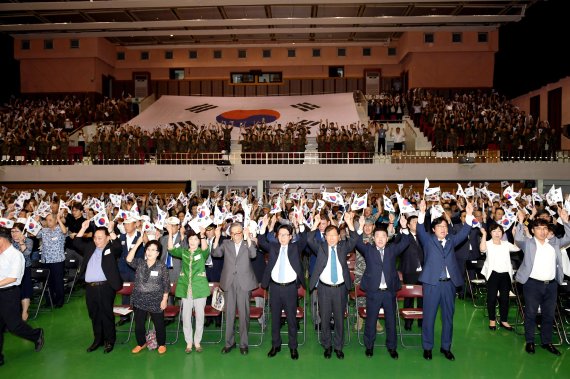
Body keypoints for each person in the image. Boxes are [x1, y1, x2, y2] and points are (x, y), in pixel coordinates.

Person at [416, 199, 474, 361]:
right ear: (433, 230)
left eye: (445, 226)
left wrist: (469, 215)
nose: (443, 229)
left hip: (449, 285)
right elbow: (420, 229)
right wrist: (421, 212)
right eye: (439, 227)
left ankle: (445, 347)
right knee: (429, 317)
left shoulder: (451, 240)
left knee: (448, 317)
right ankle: (427, 347)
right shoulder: (428, 241)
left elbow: (463, 234)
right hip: (432, 284)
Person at [348, 213, 410, 359]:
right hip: (373, 292)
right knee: (370, 320)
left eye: (383, 236)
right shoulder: (368, 250)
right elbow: (356, 241)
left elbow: (406, 242)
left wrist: (404, 226)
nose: (381, 239)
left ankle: (392, 347)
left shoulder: (392, 249)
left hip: (389, 292)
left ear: (387, 238)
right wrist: (357, 227)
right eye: (378, 236)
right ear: (373, 239)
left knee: (391, 321)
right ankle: (369, 346)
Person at [514, 209, 570, 356]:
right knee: (531, 313)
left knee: (549, 314)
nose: (542, 231)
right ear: (533, 231)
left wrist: (565, 221)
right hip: (532, 284)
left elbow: (569, 237)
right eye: (538, 228)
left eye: (545, 228)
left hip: (551, 285)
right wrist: (521, 221)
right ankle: (530, 341)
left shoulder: (555, 243)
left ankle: (547, 342)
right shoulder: (528, 244)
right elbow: (518, 239)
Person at [308, 213, 357, 360]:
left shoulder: (343, 247)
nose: (331, 238)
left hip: (340, 289)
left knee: (339, 319)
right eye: (328, 235)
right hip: (324, 289)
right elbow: (309, 239)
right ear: (325, 237)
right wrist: (315, 223)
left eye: (334, 235)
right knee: (324, 318)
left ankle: (338, 346)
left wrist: (349, 223)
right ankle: (327, 345)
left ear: (338, 236)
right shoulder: (321, 248)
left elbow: (354, 239)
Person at [258, 215, 307, 360]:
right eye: (281, 235)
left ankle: (293, 347)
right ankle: (275, 345)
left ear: (291, 237)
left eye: (286, 235)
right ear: (277, 236)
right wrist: (265, 227)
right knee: (275, 319)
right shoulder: (273, 247)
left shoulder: (295, 247)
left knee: (292, 319)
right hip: (275, 287)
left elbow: (304, 240)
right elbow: (261, 241)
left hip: (290, 288)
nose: (283, 237)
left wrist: (301, 225)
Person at [73, 220, 122, 354]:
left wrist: (111, 231)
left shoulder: (110, 248)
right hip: (90, 288)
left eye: (100, 238)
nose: (96, 240)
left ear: (107, 238)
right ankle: (98, 340)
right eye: (95, 237)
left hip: (105, 286)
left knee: (106, 314)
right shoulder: (90, 247)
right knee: (94, 314)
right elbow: (76, 243)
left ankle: (109, 340)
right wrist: (83, 228)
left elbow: (119, 247)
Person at [212, 222, 258, 355]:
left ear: (242, 232)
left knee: (244, 315)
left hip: (244, 282)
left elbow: (253, 254)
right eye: (234, 233)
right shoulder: (226, 244)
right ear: (230, 234)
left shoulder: (248, 243)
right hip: (229, 282)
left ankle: (244, 344)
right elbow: (216, 253)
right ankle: (229, 343)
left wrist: (248, 237)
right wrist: (216, 237)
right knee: (229, 314)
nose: (236, 235)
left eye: (239, 232)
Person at [0, 228, 44, 367]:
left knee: (14, 326)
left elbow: (13, 278)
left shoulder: (15, 255)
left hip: (9, 293)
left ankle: (36, 334)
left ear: (2, 240)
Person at [167, 224, 210, 354]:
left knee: (200, 317)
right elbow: (170, 249)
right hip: (186, 288)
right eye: (191, 239)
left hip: (200, 289)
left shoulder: (202, 253)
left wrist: (202, 236)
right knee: (186, 317)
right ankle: (189, 342)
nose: (192, 241)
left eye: (195, 239)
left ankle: (197, 341)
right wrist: (170, 233)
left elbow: (206, 249)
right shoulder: (184, 252)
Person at [127, 238, 170, 355]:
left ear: (158, 253)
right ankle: (141, 343)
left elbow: (166, 284)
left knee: (159, 324)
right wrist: (137, 244)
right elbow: (129, 259)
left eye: (153, 250)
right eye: (148, 249)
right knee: (139, 324)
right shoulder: (140, 263)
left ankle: (161, 344)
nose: (150, 252)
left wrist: (165, 299)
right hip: (139, 299)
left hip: (156, 300)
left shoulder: (161, 266)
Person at [479, 224, 520, 331]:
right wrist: (484, 235)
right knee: (491, 298)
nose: (497, 233)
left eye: (499, 231)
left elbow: (517, 248)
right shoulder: (487, 243)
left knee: (505, 299)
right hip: (493, 274)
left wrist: (514, 235)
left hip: (505, 274)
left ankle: (504, 320)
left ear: (502, 233)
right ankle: (492, 320)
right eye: (494, 231)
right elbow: (482, 249)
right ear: (490, 233)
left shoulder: (506, 244)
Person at [36, 212, 68, 308]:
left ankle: (59, 301)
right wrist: (36, 222)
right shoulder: (44, 230)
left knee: (58, 282)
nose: (48, 222)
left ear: (55, 220)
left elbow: (65, 232)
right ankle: (49, 301)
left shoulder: (60, 229)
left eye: (50, 220)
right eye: (47, 220)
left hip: (57, 260)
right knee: (47, 282)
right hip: (46, 260)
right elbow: (34, 234)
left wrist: (59, 219)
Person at [398, 215, 424, 331]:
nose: (417, 224)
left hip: (423, 271)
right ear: (408, 225)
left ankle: (421, 321)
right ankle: (408, 322)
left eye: (418, 222)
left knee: (422, 297)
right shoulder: (404, 236)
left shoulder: (423, 236)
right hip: (409, 270)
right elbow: (397, 242)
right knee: (409, 297)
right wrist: (402, 230)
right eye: (414, 222)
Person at [11, 222, 34, 321]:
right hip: (12, 270)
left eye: (17, 231)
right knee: (14, 292)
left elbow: (27, 253)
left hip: (25, 269)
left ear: (23, 232)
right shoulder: (8, 241)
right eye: (12, 231)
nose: (14, 233)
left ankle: (24, 313)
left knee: (25, 291)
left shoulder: (28, 241)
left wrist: (21, 242)